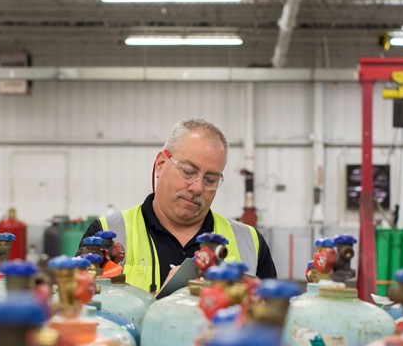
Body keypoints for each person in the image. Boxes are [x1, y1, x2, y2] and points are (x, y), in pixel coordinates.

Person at [83, 119, 277, 294]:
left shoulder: (250, 242)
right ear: (160, 164)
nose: (197, 187)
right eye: (188, 171)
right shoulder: (106, 234)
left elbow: (271, 321)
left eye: (210, 179)